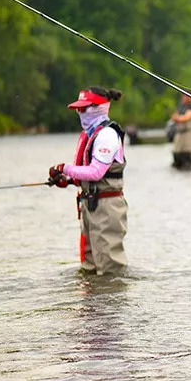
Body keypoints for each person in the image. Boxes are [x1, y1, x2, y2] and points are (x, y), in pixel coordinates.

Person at [48, 86, 129, 275]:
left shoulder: (107, 135)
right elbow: (87, 173)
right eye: (78, 109)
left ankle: (113, 304)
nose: (80, 113)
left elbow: (96, 173)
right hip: (90, 204)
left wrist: (64, 168)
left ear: (98, 107)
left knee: (110, 268)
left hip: (107, 207)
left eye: (83, 108)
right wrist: (68, 180)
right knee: (89, 266)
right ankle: (91, 303)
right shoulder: (90, 134)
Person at [170, 94, 191, 169]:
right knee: (177, 156)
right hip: (179, 134)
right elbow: (174, 117)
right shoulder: (180, 107)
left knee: (188, 157)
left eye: (187, 96)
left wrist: (178, 118)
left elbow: (187, 117)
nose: (185, 98)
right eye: (184, 96)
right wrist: (177, 118)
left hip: (188, 135)